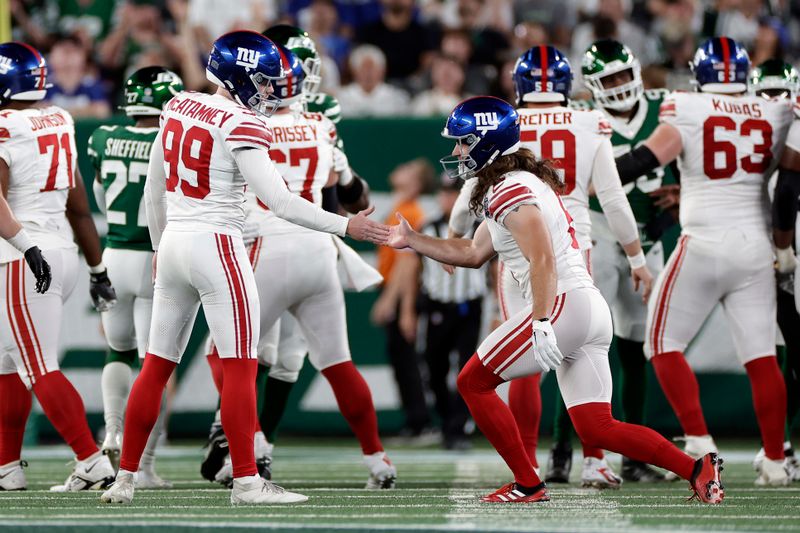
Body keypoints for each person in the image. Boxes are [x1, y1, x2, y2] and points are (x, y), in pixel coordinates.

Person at [386, 95, 724, 504]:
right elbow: (472, 254)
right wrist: (413, 240)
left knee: (472, 382)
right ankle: (696, 468)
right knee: (597, 426)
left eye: (463, 141)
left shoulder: (509, 189)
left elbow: (542, 257)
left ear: (488, 141)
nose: (456, 151)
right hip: (586, 306)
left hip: (563, 303)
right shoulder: (514, 183)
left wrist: (542, 321)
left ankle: (528, 483)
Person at [99, 30, 388, 506]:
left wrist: (158, 247)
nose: (272, 89)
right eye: (264, 79)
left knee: (154, 366)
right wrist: (345, 225)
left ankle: (125, 478)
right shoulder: (241, 121)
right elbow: (279, 201)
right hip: (219, 245)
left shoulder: (179, 105)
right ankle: (248, 482)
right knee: (239, 366)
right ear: (240, 75)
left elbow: (155, 191)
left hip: (173, 244)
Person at [452, 45, 653, 488]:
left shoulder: (505, 124)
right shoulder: (587, 121)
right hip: (575, 246)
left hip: (517, 253)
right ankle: (593, 460)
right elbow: (615, 200)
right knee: (578, 353)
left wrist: (457, 239)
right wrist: (636, 257)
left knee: (521, 360)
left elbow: (467, 203)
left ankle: (529, 463)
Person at [208, 46, 396, 490]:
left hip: (266, 245)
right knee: (338, 362)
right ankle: (377, 459)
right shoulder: (321, 125)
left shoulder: (246, 122)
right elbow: (340, 187)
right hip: (317, 248)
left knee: (226, 355)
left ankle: (252, 444)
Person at [614, 37, 794, 486]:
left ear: (702, 76)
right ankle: (775, 460)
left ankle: (698, 440)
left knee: (660, 342)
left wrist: (591, 174)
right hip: (756, 246)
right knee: (761, 356)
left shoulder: (687, 107)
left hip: (704, 241)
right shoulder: (777, 109)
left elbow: (645, 159)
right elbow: (790, 176)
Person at [544, 39, 679, 484]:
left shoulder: (667, 107)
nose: (619, 86)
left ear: (637, 73)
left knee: (636, 346)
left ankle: (632, 456)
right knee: (579, 346)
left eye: (623, 76)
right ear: (592, 87)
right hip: (597, 239)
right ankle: (565, 447)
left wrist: (685, 195)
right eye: (609, 80)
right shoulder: (584, 118)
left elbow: (700, 166)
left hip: (649, 238)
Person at [0, 41, 118, 492]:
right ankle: (7, 466)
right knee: (8, 364)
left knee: (37, 365)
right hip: (60, 252)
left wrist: (26, 247)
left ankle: (90, 460)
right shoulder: (60, 119)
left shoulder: (6, 127)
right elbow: (79, 205)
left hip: (24, 255)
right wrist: (96, 267)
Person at [88, 66, 185, 489]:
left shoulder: (103, 137)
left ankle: (111, 430)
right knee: (155, 365)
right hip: (151, 258)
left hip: (113, 252)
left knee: (117, 350)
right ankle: (142, 464)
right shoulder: (172, 138)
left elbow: (97, 195)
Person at [404, 175, 487, 449]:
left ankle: (457, 428)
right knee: (434, 368)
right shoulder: (428, 227)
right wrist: (407, 311)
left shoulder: (481, 228)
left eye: (453, 193)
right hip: (438, 307)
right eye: (444, 193)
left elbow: (497, 270)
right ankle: (448, 419)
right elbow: (413, 273)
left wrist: (501, 308)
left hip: (470, 307)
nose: (448, 199)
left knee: (467, 370)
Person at [752, 58, 800, 481]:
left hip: (783, 240)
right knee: (777, 343)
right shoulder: (747, 129)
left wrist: (782, 248)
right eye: (764, 94)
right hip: (770, 238)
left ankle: (783, 446)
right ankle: (782, 445)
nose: (772, 102)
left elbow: (785, 191)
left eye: (778, 94)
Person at [372, 158, 435, 439]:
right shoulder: (400, 207)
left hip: (400, 293)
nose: (401, 169)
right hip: (394, 290)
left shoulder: (410, 211)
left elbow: (406, 264)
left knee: (407, 361)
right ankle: (415, 420)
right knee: (401, 359)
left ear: (416, 182)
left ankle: (420, 421)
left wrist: (394, 301)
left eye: (408, 169)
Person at [336, 44, 410, 117]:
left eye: (372, 68)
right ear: (354, 70)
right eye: (364, 68)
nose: (368, 73)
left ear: (382, 70)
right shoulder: (341, 98)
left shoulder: (397, 98)